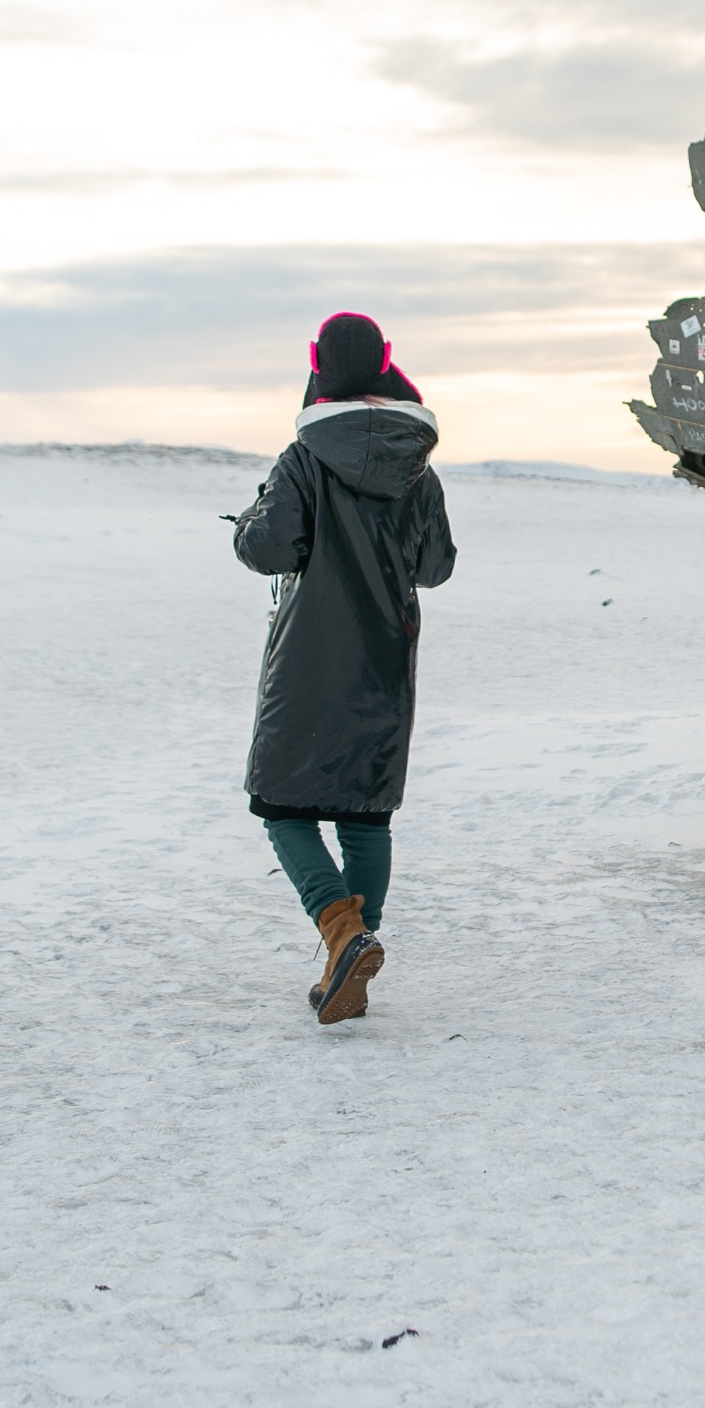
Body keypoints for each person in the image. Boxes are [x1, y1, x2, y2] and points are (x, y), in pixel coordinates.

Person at [233, 311, 457, 1024]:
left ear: (317, 365)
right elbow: (437, 565)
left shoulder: (303, 456)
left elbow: (268, 548)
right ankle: (349, 954)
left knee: (280, 803)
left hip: (306, 662)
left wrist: (247, 519)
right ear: (387, 363)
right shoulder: (418, 465)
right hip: (386, 659)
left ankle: (341, 932)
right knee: (365, 815)